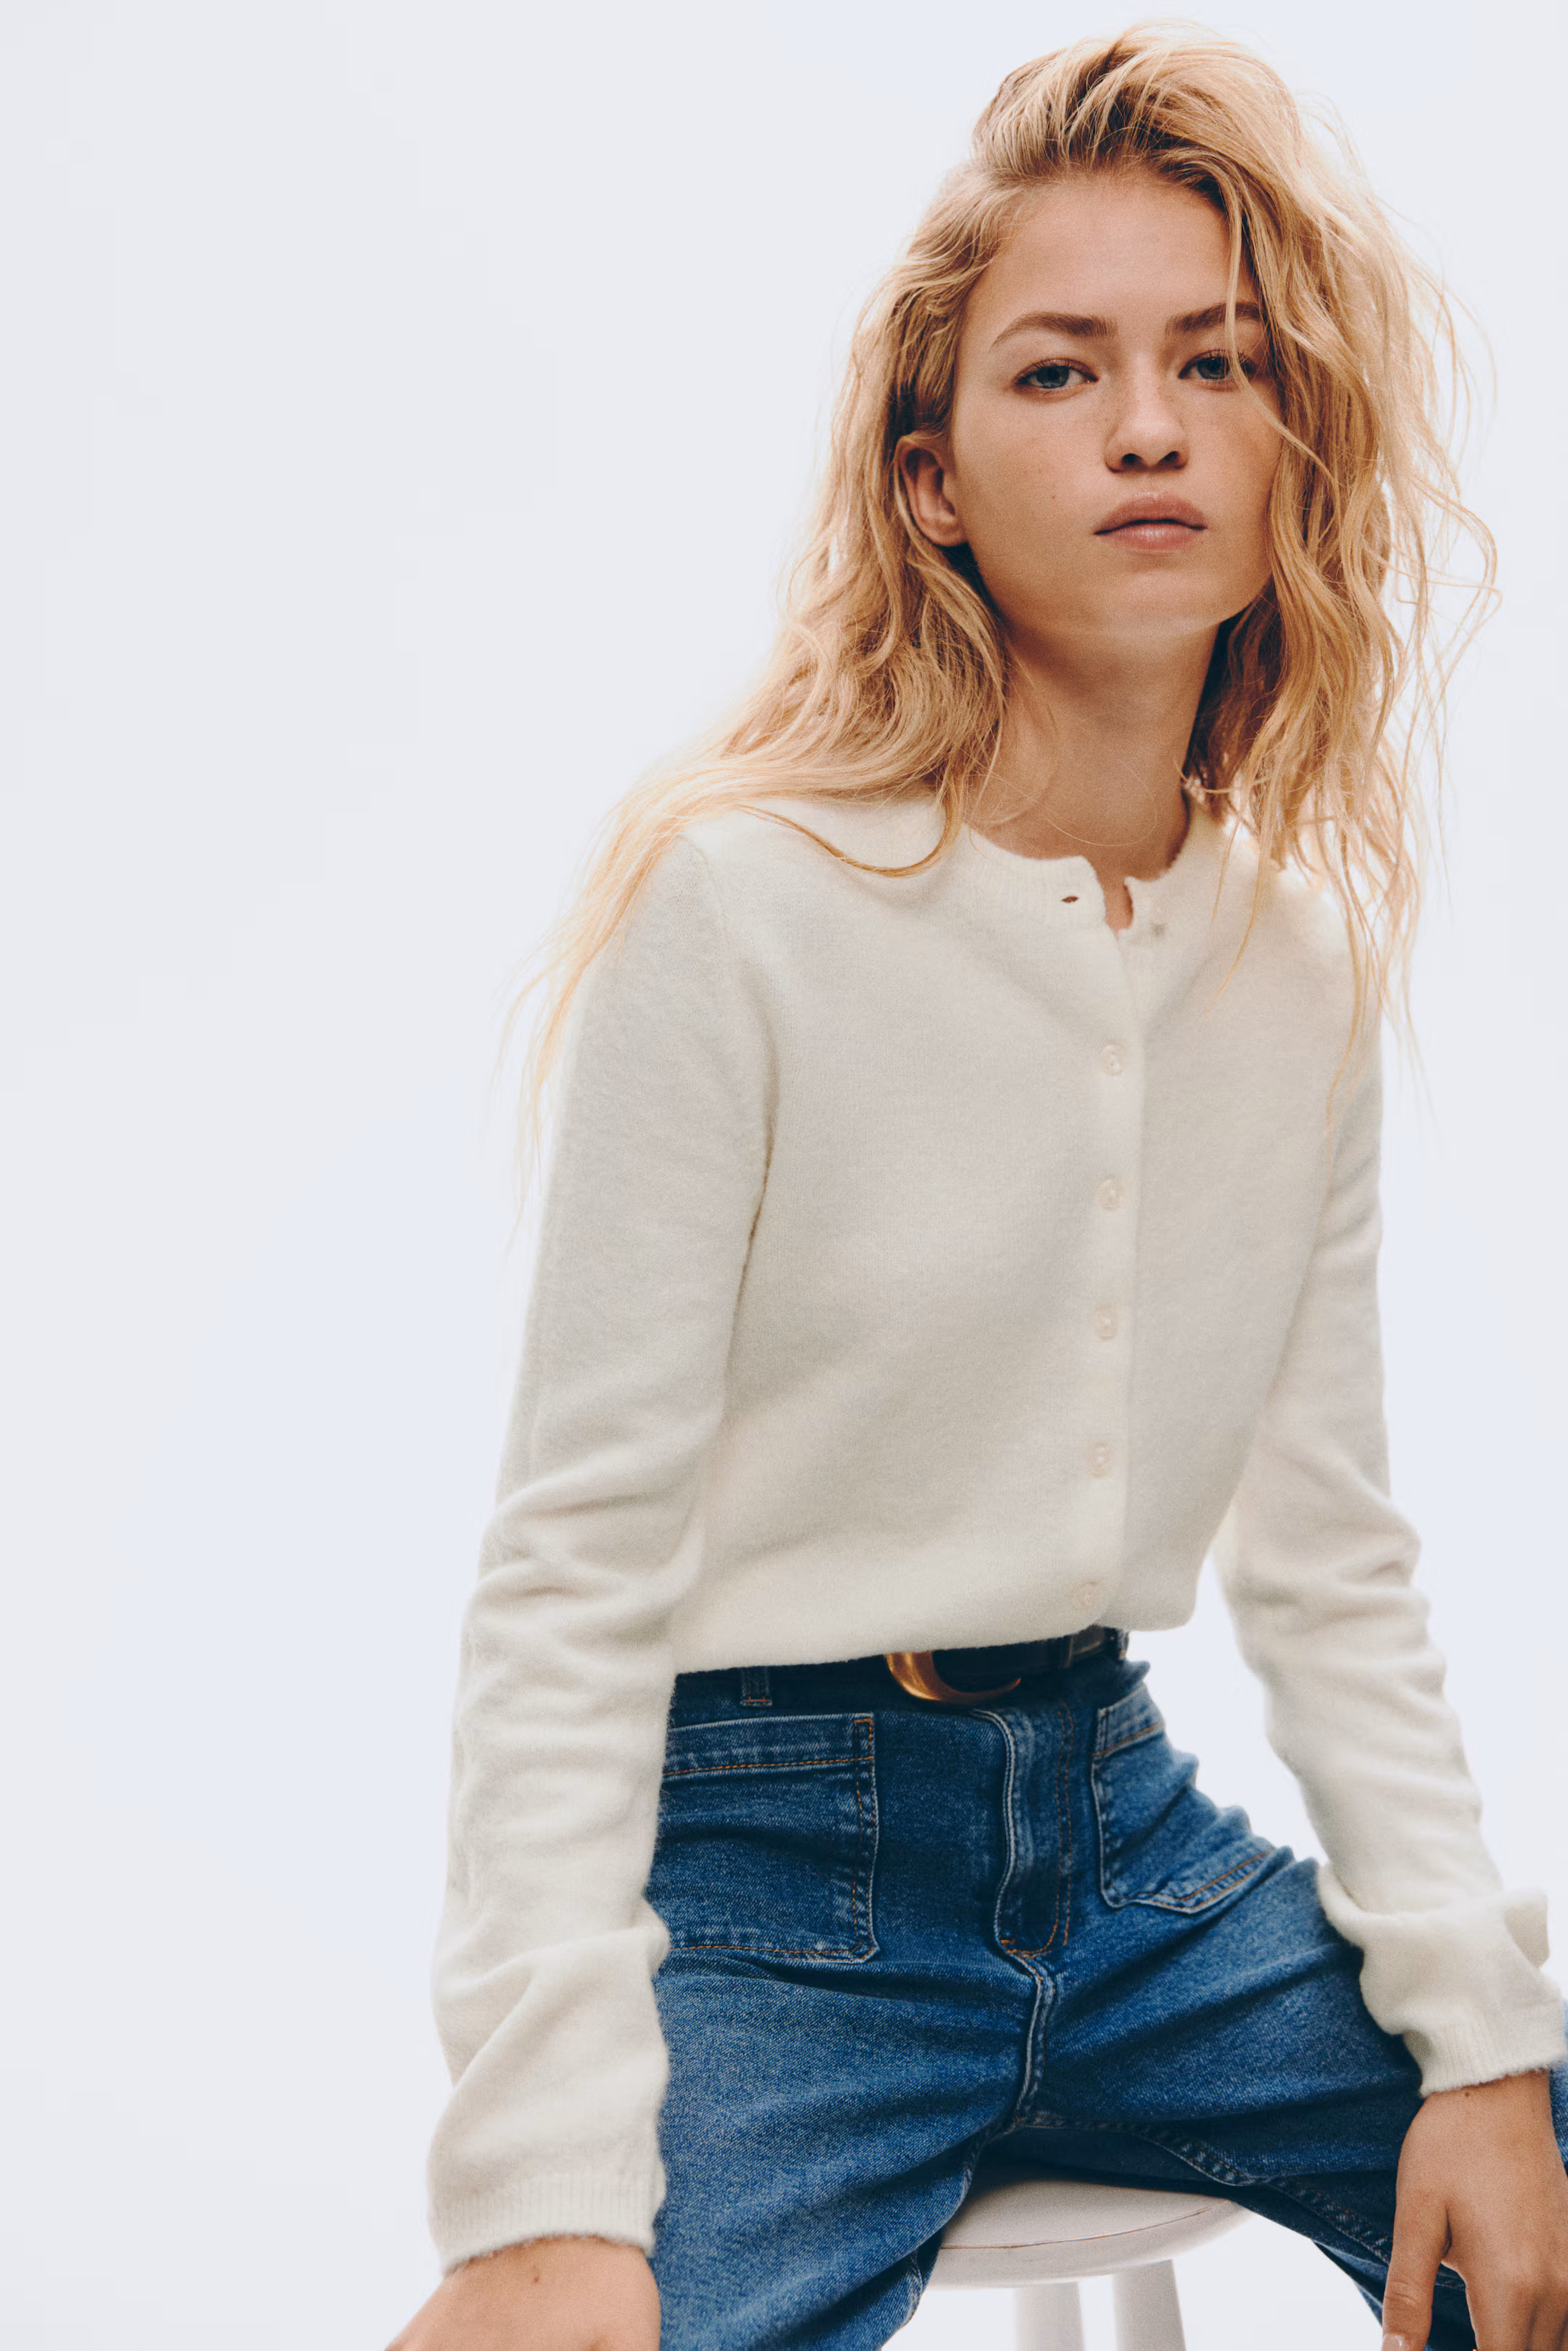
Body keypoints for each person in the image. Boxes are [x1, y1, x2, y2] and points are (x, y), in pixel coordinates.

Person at [390, 29, 1568, 2351]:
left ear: (1292, 440)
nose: (1150, 427)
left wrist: (1482, 2042)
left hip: (1129, 1846)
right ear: (928, 482)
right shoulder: (740, 906)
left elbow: (1329, 1557)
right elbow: (569, 1573)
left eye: (1219, 362)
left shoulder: (1295, 967)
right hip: (763, 1878)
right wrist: (537, 2179)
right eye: (1059, 369)